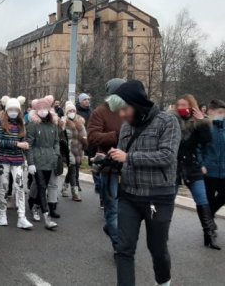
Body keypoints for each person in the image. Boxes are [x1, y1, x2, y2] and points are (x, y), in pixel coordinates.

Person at [107, 80, 180, 286]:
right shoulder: (125, 127)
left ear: (137, 103)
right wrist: (107, 160)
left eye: (124, 109)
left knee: (157, 248)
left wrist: (129, 157)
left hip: (158, 197)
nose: (121, 115)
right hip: (129, 196)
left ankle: (163, 282)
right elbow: (122, 157)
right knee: (124, 249)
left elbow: (167, 156)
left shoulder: (168, 122)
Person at [172, 94, 218, 249]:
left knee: (202, 199)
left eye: (184, 104)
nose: (180, 107)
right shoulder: (172, 121)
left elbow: (206, 141)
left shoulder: (198, 123)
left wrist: (202, 122)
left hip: (192, 166)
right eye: (178, 104)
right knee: (167, 199)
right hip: (175, 166)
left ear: (191, 106)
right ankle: (160, 232)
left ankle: (210, 235)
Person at [88, 78, 125, 252]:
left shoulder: (130, 110)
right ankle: (118, 246)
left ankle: (112, 228)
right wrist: (116, 135)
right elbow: (93, 137)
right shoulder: (100, 112)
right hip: (110, 167)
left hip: (129, 167)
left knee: (127, 209)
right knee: (113, 208)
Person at [0, 96, 33, 229]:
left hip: (17, 160)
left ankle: (22, 217)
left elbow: (25, 140)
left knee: (20, 187)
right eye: (10, 109)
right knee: (3, 186)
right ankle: (2, 213)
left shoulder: (21, 123)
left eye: (15, 109)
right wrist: (18, 144)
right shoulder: (0, 122)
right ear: (6, 109)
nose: (13, 111)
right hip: (3, 160)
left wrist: (26, 145)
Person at [26, 95, 61, 230]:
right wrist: (30, 163)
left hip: (50, 160)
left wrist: (56, 154)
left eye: (45, 109)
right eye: (40, 109)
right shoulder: (33, 125)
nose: (43, 111)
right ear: (36, 111)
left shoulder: (52, 125)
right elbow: (29, 144)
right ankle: (47, 217)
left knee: (44, 186)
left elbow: (56, 142)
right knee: (41, 185)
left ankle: (34, 204)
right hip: (37, 160)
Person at [199, 100, 225, 237]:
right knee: (208, 198)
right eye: (219, 112)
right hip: (208, 170)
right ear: (210, 111)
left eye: (224, 112)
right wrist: (201, 164)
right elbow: (198, 148)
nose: (222, 115)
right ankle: (209, 229)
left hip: (224, 170)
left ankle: (209, 216)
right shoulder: (205, 127)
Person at [60, 101, 87, 202]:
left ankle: (64, 187)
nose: (71, 112)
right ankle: (75, 193)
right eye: (69, 110)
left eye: (73, 110)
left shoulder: (80, 121)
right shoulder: (63, 122)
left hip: (79, 149)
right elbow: (61, 137)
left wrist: (85, 144)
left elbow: (84, 135)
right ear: (66, 112)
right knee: (73, 169)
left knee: (74, 168)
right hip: (69, 149)